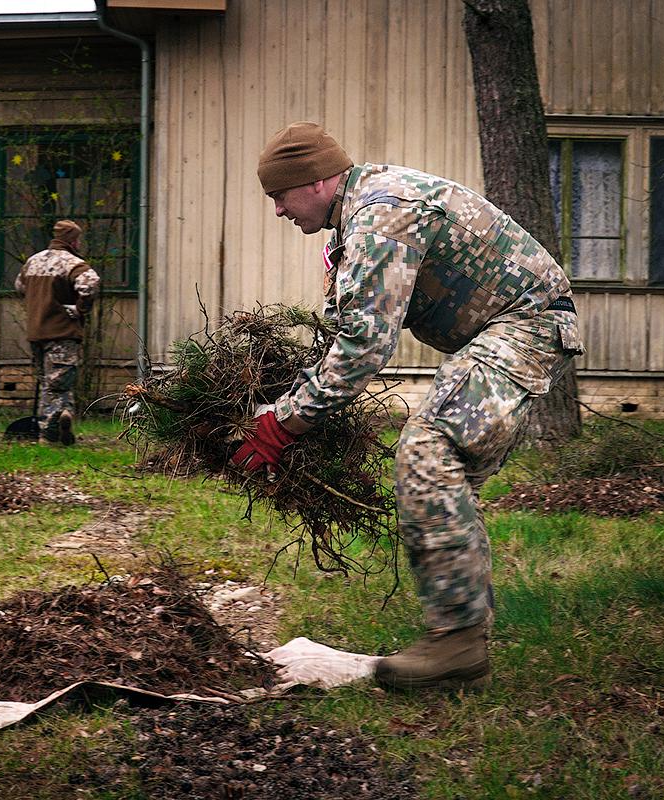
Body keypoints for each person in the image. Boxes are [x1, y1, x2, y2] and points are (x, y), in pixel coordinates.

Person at [233, 122, 584, 690]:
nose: (277, 210)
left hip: (529, 322)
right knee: (442, 468)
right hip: (495, 329)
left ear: (318, 182)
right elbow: (349, 327)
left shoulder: (381, 216)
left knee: (429, 448)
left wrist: (286, 420)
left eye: (279, 195)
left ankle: (457, 646)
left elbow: (364, 346)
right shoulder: (357, 220)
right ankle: (461, 630)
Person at [14, 219, 100, 446]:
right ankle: (53, 427)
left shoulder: (33, 262)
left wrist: (37, 306)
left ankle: (62, 429)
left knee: (46, 380)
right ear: (72, 240)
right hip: (63, 331)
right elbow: (90, 284)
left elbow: (19, 287)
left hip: (36, 331)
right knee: (60, 382)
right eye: (78, 239)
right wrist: (80, 309)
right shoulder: (73, 263)